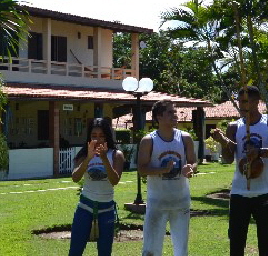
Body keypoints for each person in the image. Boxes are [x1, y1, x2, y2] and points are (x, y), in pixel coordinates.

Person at [211, 86, 268, 256]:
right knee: (236, 244)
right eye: (239, 101)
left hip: (265, 191)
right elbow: (228, 159)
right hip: (239, 192)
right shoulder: (234, 126)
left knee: (266, 244)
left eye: (245, 101)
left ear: (257, 102)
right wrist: (224, 142)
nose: (241, 105)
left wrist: (260, 152)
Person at [138, 99, 198, 256]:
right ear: (159, 117)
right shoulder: (149, 140)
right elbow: (142, 169)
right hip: (157, 203)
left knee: (181, 250)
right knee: (151, 250)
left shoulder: (185, 138)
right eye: (170, 112)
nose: (175, 115)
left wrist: (190, 168)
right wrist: (163, 170)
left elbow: (193, 162)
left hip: (181, 203)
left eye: (175, 112)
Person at [69, 117, 125, 256]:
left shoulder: (116, 155)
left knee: (105, 252)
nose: (98, 140)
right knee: (75, 251)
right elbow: (75, 178)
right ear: (89, 137)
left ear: (107, 136)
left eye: (101, 136)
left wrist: (105, 158)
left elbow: (114, 181)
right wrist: (88, 157)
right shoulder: (83, 154)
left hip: (106, 210)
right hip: (85, 208)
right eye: (94, 136)